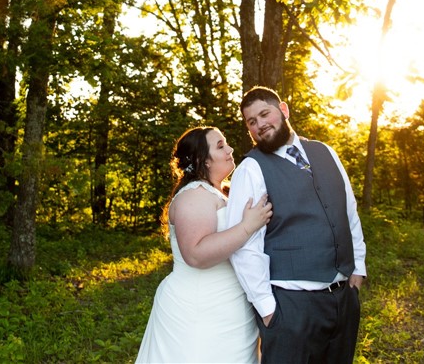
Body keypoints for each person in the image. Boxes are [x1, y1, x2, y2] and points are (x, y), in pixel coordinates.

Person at [226, 86, 367, 364]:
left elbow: (348, 212)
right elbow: (243, 247)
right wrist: (268, 310)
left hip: (343, 300)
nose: (260, 125)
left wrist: (358, 268)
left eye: (264, 114)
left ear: (284, 110)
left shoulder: (325, 152)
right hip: (291, 307)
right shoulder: (250, 169)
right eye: (251, 122)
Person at [136, 126, 274, 364]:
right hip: (198, 309)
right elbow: (196, 254)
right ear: (203, 160)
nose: (230, 149)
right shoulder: (194, 195)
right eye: (220, 146)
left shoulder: (219, 193)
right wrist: (247, 226)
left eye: (226, 143)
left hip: (229, 305)